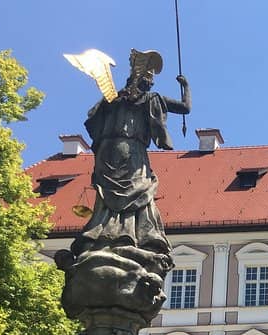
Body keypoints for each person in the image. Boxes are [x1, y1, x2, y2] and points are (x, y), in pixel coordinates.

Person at [73, 50, 191, 258]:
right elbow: (185, 108)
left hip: (106, 150)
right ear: (140, 79)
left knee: (110, 193)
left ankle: (100, 233)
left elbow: (92, 119)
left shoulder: (113, 99)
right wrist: (186, 87)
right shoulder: (145, 98)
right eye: (148, 78)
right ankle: (135, 235)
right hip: (131, 149)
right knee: (141, 189)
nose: (151, 82)